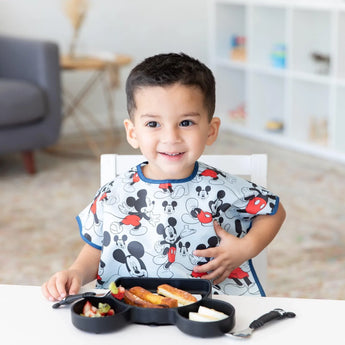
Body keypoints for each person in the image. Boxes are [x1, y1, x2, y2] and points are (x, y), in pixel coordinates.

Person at [42, 52, 286, 301]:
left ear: (211, 131)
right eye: (153, 124)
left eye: (186, 122)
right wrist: (75, 272)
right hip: (129, 307)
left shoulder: (222, 188)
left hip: (207, 306)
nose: (171, 138)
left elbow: (274, 211)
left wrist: (246, 248)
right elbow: (98, 247)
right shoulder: (113, 193)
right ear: (132, 132)